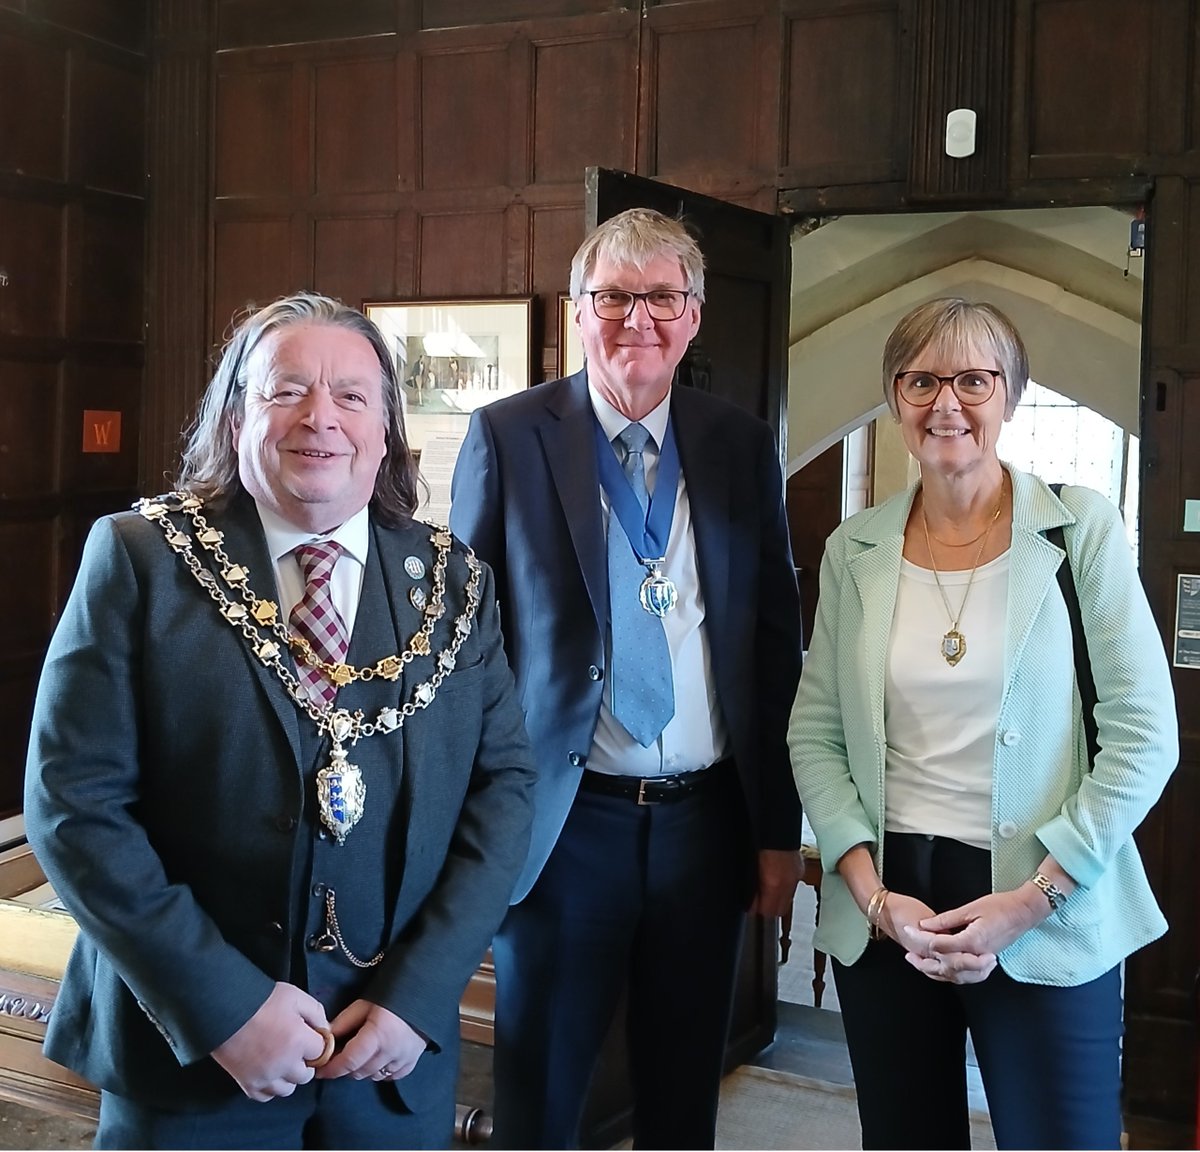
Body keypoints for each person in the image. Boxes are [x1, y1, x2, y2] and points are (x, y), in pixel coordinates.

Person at [23, 292, 536, 1150]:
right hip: (190, 1062)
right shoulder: (141, 561)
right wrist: (226, 1010)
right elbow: (75, 806)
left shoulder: (454, 587)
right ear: (235, 417)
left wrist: (420, 995)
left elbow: (505, 791)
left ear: (385, 429)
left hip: (388, 1064)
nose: (319, 418)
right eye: (285, 390)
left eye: (350, 396)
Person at [449, 207, 805, 1149]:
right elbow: (466, 650)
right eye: (613, 297)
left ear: (693, 317)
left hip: (705, 824)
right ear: (578, 310)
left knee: (686, 1096)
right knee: (542, 1096)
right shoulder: (509, 437)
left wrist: (778, 832)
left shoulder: (738, 443)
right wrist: (476, 825)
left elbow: (774, 647)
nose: (636, 319)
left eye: (661, 297)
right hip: (565, 828)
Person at [788, 297, 1179, 1150]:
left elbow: (1147, 735)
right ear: (896, 398)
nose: (946, 403)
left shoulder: (1081, 530)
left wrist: (1032, 900)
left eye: (972, 379)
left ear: (1010, 395)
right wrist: (871, 894)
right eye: (921, 380)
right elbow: (813, 734)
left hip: (1046, 897)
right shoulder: (854, 549)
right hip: (891, 905)